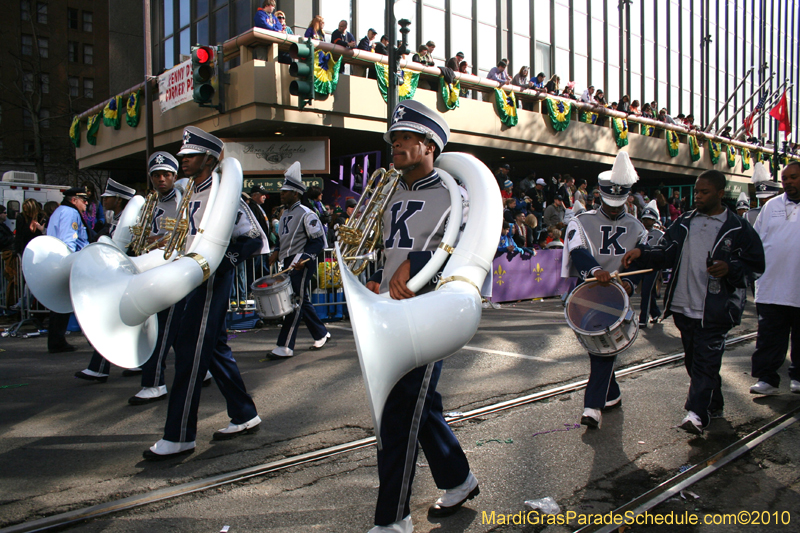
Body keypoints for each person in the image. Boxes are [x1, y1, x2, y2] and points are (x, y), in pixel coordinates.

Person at [365, 100, 478, 532]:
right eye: (394, 137)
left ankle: (393, 519)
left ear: (429, 144)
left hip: (431, 311)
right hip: (391, 310)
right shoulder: (391, 191)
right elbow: (382, 248)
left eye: (405, 137)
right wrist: (375, 278)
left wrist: (417, 261)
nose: (395, 144)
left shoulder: (456, 193)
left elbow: (472, 246)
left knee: (397, 412)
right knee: (418, 406)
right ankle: (458, 479)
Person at [144, 127, 263, 460]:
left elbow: (255, 237)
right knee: (213, 350)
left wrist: (223, 263)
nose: (184, 161)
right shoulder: (192, 191)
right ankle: (244, 413)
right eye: (183, 156)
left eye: (190, 156)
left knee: (188, 352)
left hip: (209, 281)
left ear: (209, 159)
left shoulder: (224, 192)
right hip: (189, 278)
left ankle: (180, 435)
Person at [622, 170, 765, 434]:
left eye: (704, 192)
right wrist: (642, 252)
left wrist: (730, 268)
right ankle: (714, 404)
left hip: (716, 309)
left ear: (721, 193)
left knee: (706, 361)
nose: (697, 196)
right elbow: (665, 251)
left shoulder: (738, 227)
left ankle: (696, 414)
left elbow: (756, 265)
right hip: (682, 306)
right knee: (695, 361)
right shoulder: (685, 221)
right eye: (697, 191)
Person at [563, 152, 648, 429]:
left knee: (604, 348)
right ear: (599, 194)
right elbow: (576, 250)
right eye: (608, 203)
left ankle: (592, 406)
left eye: (619, 203)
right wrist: (593, 271)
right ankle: (611, 394)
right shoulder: (582, 220)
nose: (613, 209)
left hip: (617, 297)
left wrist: (629, 283)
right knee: (598, 349)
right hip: (588, 294)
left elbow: (644, 259)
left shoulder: (637, 228)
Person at [74, 178, 136, 383]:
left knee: (111, 321)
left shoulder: (130, 221)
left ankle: (99, 368)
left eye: (108, 197)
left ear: (118, 200)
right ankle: (137, 363)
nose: (104, 201)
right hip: (121, 279)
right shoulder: (118, 221)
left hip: (128, 279)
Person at [267, 162, 330, 358]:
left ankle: (285, 346)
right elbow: (284, 238)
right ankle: (321, 333)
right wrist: (276, 252)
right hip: (288, 262)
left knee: (294, 301)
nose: (281, 194)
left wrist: (303, 258)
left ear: (296, 193)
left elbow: (318, 241)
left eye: (285, 191)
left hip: (301, 262)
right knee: (301, 300)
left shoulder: (306, 213)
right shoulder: (285, 213)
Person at [748, 161, 800, 396]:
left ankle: (798, 376)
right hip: (771, 286)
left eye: (794, 177)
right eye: (785, 178)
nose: (788, 182)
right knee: (769, 336)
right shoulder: (771, 206)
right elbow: (755, 241)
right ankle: (767, 377)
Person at [46, 186, 90, 353]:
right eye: (83, 200)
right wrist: (72, 265)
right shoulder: (70, 213)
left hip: (60, 262)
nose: (86, 203)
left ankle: (56, 340)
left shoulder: (59, 211)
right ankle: (59, 340)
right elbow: (68, 241)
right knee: (83, 301)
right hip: (71, 262)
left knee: (60, 304)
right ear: (74, 200)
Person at [639, 200, 664, 328]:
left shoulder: (660, 235)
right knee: (646, 291)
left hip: (652, 267)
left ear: (655, 220)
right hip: (640, 266)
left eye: (649, 219)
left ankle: (643, 318)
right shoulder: (639, 232)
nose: (646, 222)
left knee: (646, 291)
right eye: (644, 219)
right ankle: (655, 312)